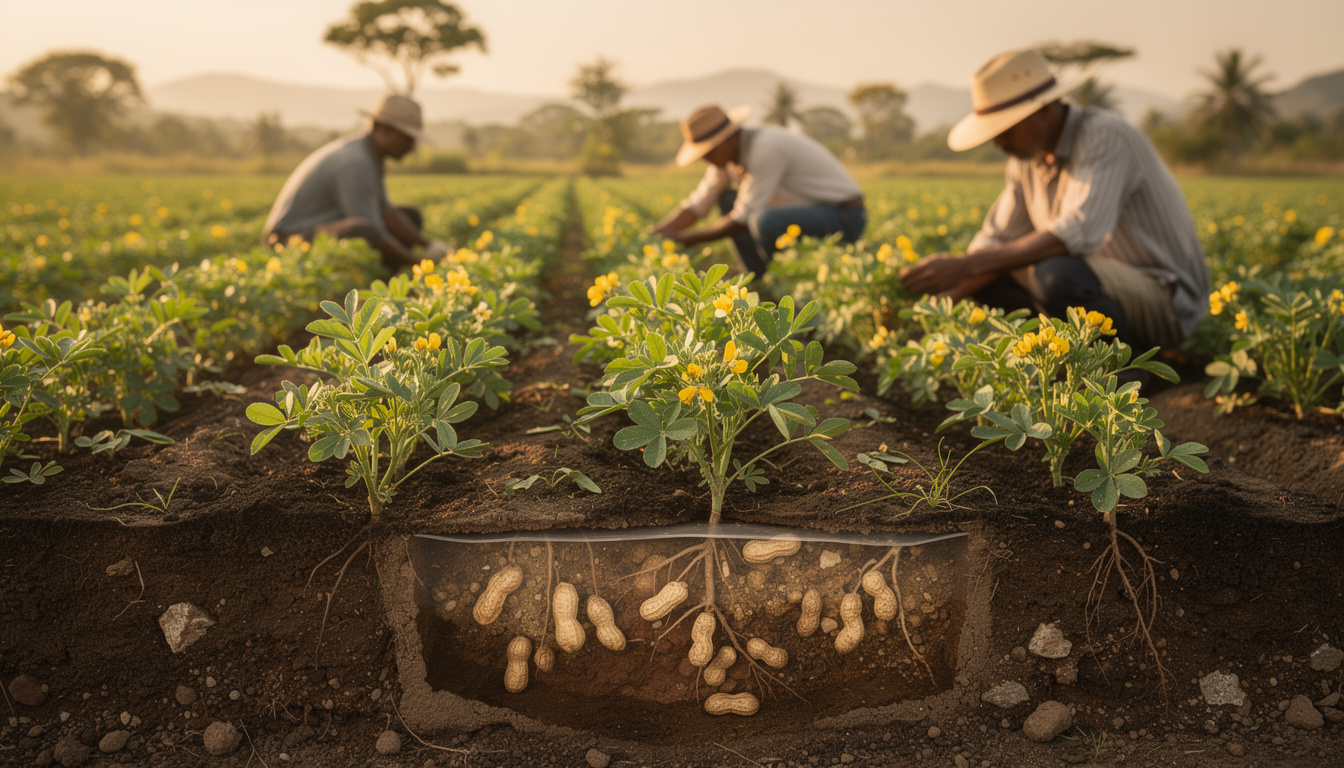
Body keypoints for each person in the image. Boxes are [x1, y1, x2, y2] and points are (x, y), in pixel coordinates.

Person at [898, 49, 1209, 352]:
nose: (998, 142)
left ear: (1045, 110)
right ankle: (1063, 362)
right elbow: (998, 239)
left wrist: (964, 266)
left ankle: (1122, 372)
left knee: (1054, 276)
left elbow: (1075, 233)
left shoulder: (1104, 135)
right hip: (1104, 287)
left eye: (1006, 129)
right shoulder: (1026, 160)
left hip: (1165, 299)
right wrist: (948, 295)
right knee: (990, 276)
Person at [650, 104, 867, 278]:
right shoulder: (727, 159)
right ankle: (757, 276)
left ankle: (783, 280)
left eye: (708, 152)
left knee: (763, 220)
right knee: (727, 199)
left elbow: (742, 218)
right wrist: (660, 232)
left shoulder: (764, 147)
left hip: (844, 216)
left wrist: (687, 239)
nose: (705, 159)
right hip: (808, 212)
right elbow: (699, 203)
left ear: (727, 140)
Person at [263, 94, 448, 269]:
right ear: (385, 131)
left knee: (409, 216)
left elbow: (387, 214)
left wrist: (429, 244)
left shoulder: (371, 156)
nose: (411, 147)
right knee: (364, 232)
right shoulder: (355, 162)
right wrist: (419, 265)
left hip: (315, 231)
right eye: (408, 139)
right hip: (286, 241)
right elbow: (374, 229)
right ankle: (380, 286)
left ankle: (386, 281)